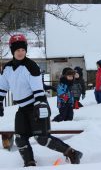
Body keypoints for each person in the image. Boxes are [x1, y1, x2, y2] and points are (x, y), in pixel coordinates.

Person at [0, 34, 82, 167]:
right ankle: (29, 164)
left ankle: (72, 153)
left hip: (37, 105)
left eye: (23, 50)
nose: (20, 53)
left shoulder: (31, 66)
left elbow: (38, 90)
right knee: (20, 139)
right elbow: (2, 87)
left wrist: (40, 105)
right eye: (17, 50)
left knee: (41, 138)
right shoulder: (7, 69)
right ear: (12, 51)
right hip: (22, 108)